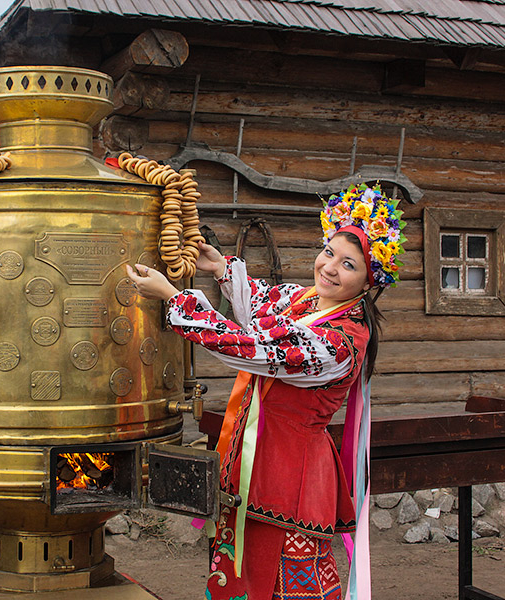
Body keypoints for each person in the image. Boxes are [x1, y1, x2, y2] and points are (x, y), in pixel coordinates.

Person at [126, 184, 406, 600]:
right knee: (244, 573)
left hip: (292, 477)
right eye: (328, 252)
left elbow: (251, 347)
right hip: (257, 466)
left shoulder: (339, 342)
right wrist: (221, 268)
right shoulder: (309, 301)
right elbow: (262, 304)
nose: (330, 268)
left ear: (369, 282)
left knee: (289, 582)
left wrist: (173, 296)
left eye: (348, 264)